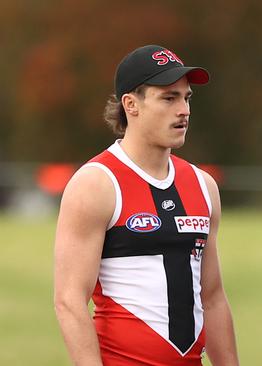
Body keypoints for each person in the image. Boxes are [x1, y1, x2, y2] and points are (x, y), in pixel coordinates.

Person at [54, 45, 239, 365]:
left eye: (187, 98)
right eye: (169, 98)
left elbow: (212, 298)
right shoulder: (96, 184)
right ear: (131, 104)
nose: (184, 110)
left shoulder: (203, 186)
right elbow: (69, 301)